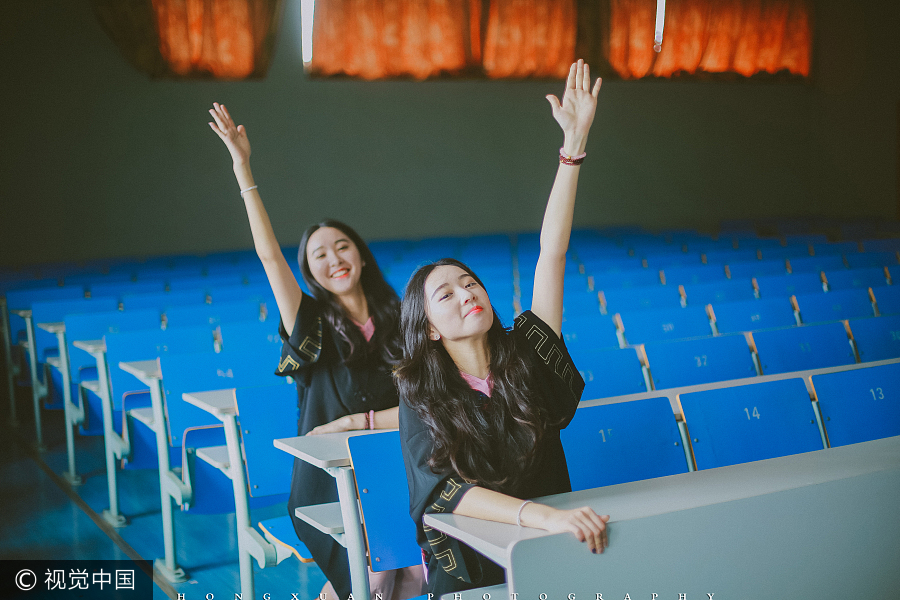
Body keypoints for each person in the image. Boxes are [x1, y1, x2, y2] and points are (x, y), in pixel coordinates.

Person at [395, 60, 609, 597]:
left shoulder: (525, 356)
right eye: (446, 294)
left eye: (470, 283)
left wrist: (573, 148)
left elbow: (551, 256)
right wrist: (543, 518)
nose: (467, 293)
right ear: (430, 332)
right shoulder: (422, 392)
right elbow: (447, 493)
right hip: (473, 559)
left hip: (556, 541)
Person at [208, 103, 415, 600]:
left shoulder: (402, 315)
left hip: (398, 459)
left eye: (342, 247)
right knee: (381, 574)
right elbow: (267, 254)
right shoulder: (313, 325)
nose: (333, 259)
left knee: (414, 573)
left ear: (361, 256)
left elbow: (426, 400)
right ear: (310, 272)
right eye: (319, 254)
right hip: (330, 476)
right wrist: (243, 169)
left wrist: (361, 423)